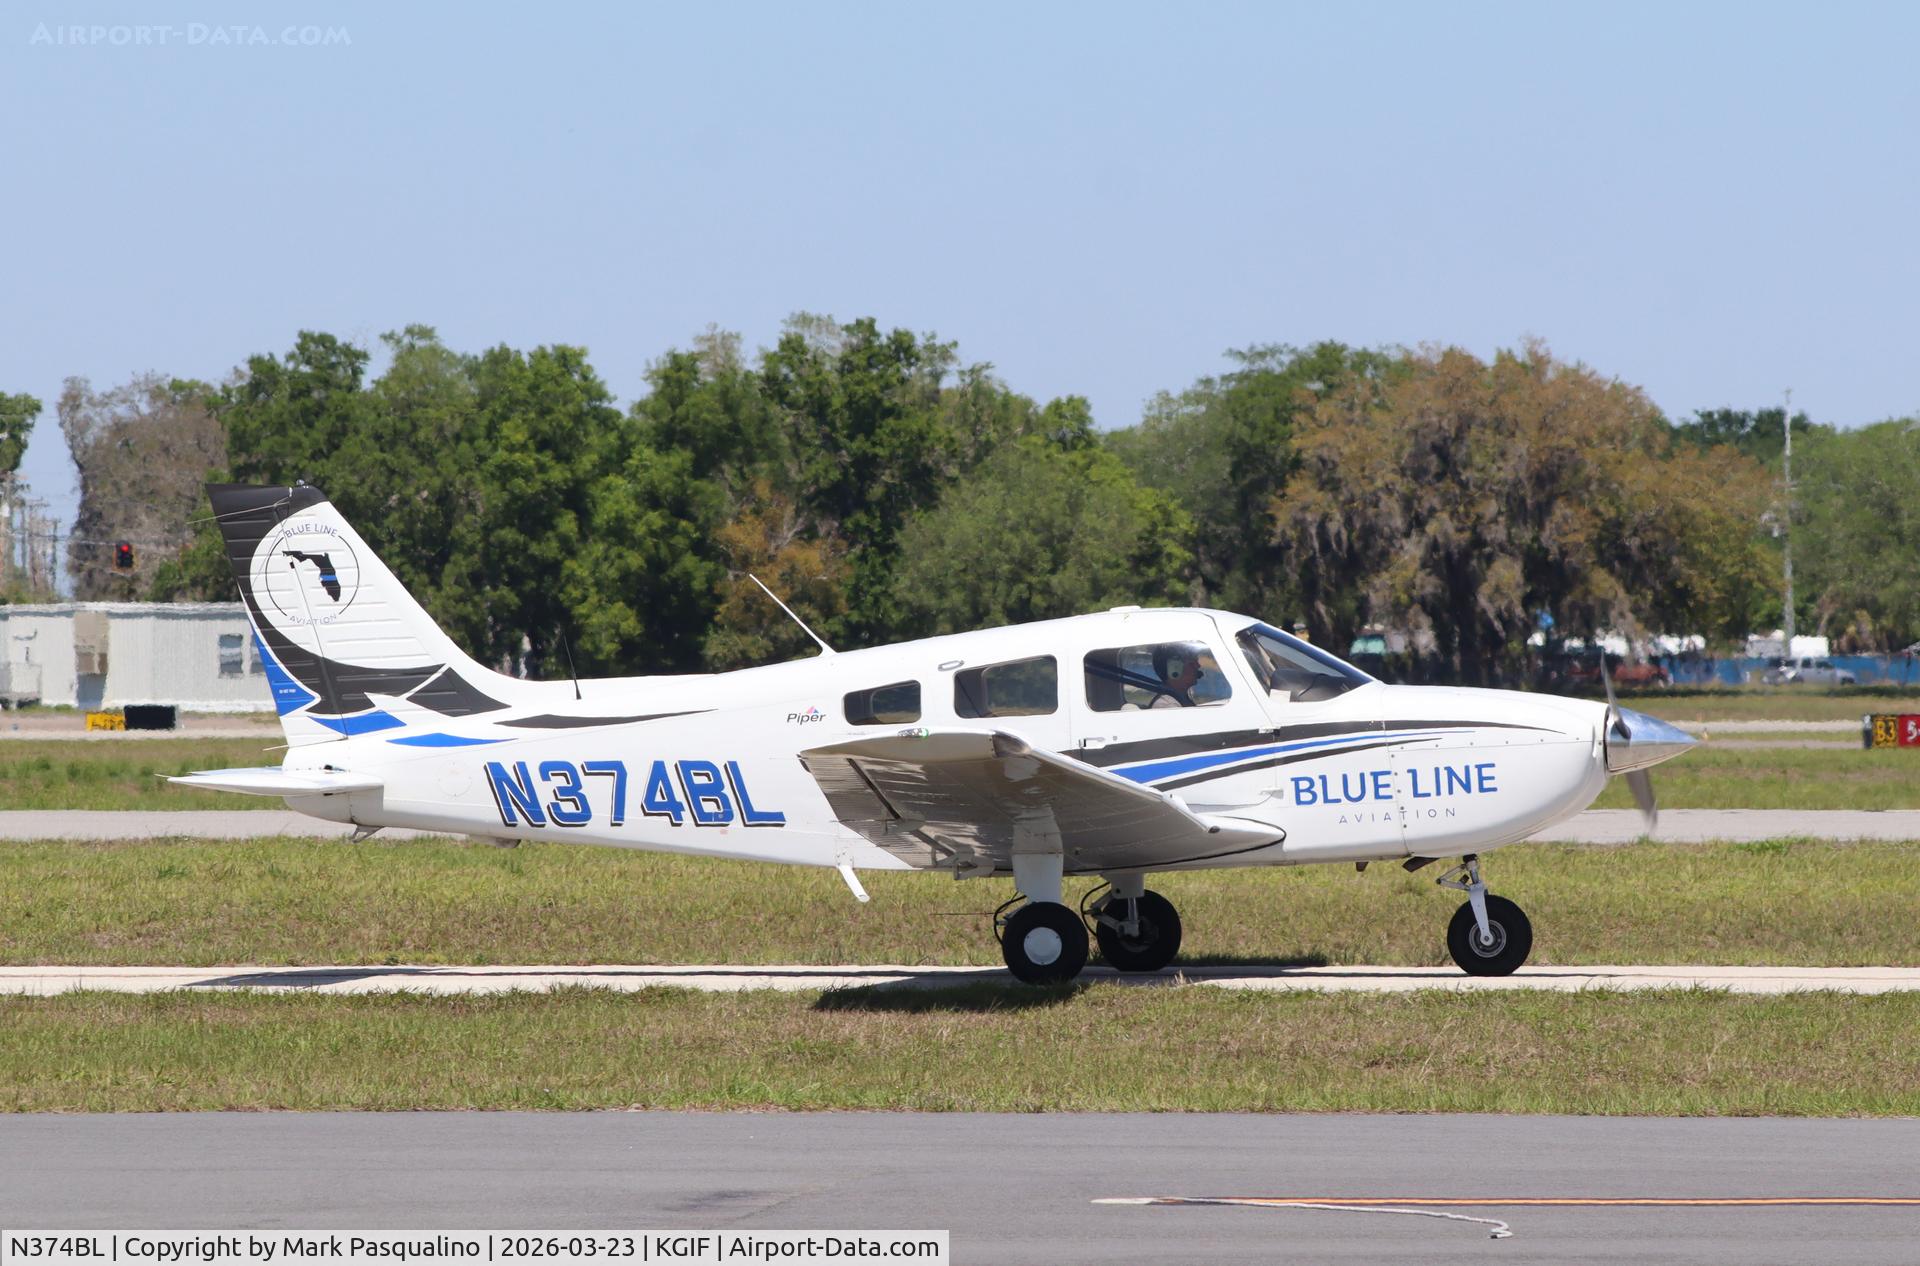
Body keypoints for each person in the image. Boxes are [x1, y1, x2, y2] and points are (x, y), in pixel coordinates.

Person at [1149, 644, 1203, 708]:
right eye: (1192, 663)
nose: (1198, 666)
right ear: (1174, 669)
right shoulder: (1167, 706)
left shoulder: (1182, 698)